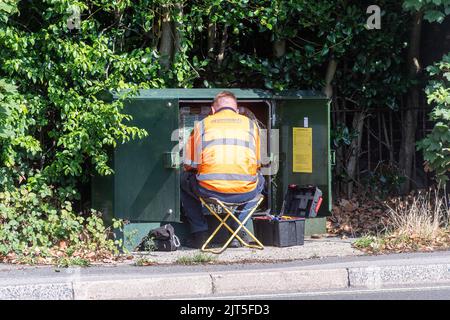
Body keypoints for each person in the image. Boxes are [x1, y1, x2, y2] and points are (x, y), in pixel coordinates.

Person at [181, 91, 265, 249]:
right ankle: (237, 229)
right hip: (245, 191)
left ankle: (199, 233)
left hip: (209, 191)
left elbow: (188, 164)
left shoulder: (202, 125)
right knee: (261, 182)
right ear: (237, 110)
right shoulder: (250, 125)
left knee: (184, 180)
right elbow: (258, 164)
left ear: (212, 110)